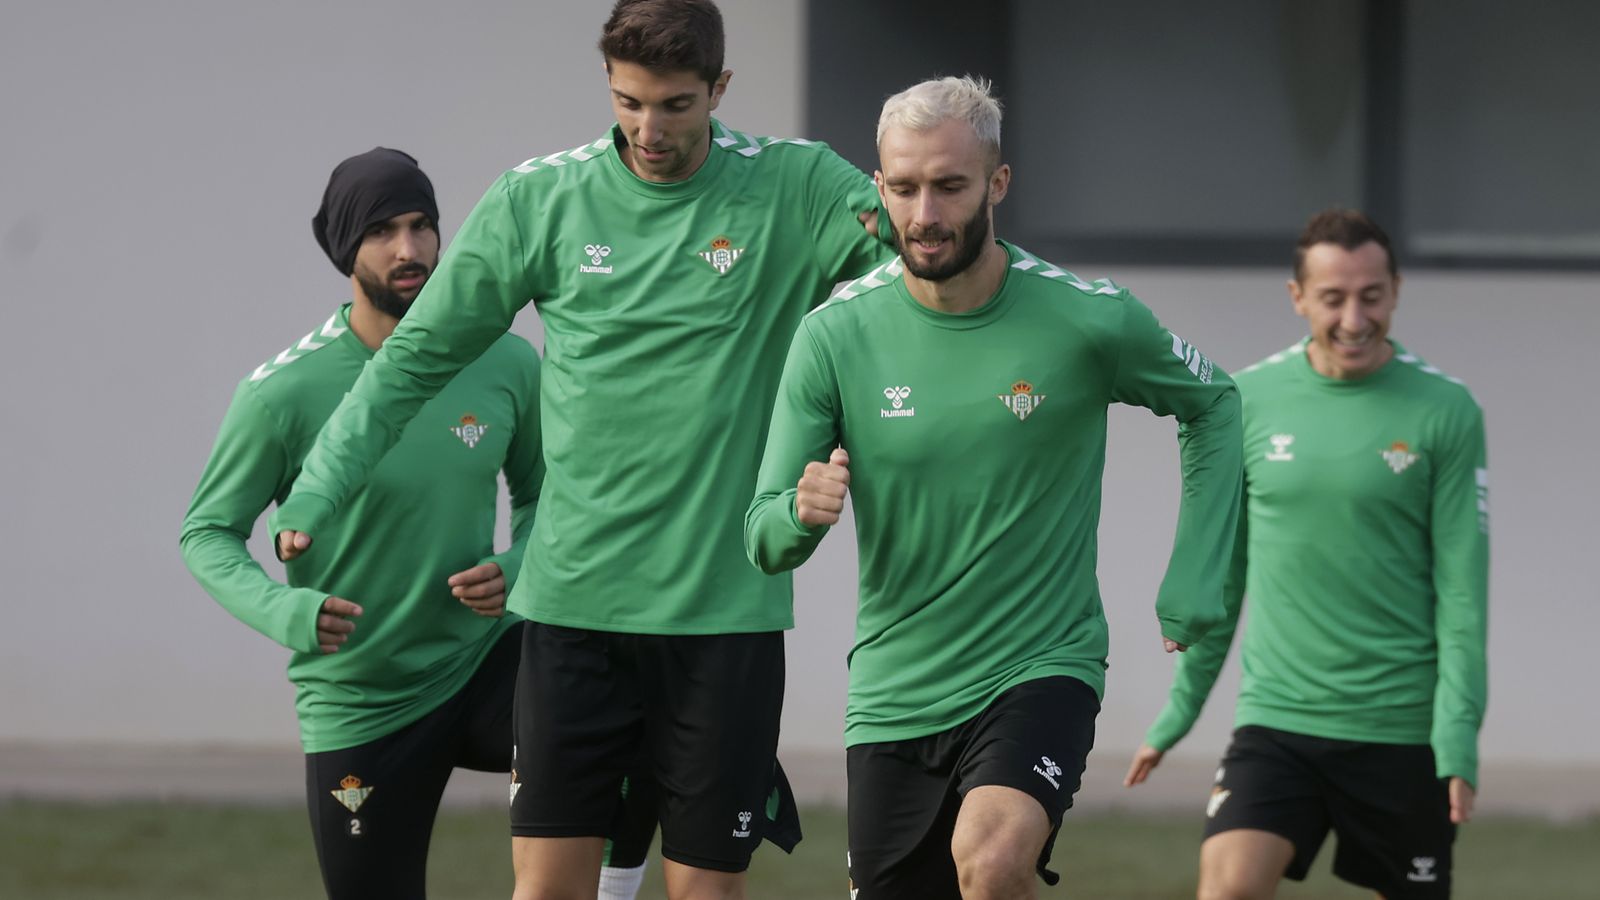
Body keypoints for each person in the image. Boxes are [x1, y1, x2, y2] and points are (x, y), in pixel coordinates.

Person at [262, 3, 893, 897]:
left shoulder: (797, 186)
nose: (649, 129)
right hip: (569, 618)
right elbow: (415, 359)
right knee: (548, 889)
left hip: (725, 616)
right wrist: (319, 490)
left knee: (704, 891)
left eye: (676, 104)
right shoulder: (540, 199)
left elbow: (921, 277)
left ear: (719, 89)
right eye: (628, 102)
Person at [744, 76, 1243, 900]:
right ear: (879, 188)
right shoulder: (833, 335)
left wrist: (1198, 577)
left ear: (997, 185)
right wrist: (800, 515)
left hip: (1040, 664)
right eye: (903, 188)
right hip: (895, 693)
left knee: (991, 858)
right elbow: (762, 537)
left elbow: (1215, 403)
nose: (925, 214)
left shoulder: (1089, 318)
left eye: (949, 186)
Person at [179, 148, 650, 900]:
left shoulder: (503, 362)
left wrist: (518, 563)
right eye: (382, 231)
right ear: (343, 248)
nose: (409, 250)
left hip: (485, 661)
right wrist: (285, 609)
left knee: (632, 711)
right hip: (362, 692)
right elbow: (205, 533)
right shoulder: (281, 393)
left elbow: (548, 494)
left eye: (422, 226)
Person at [1124, 208, 1489, 900]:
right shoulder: (1247, 401)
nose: (1354, 318)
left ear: (1396, 290)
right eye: (1333, 298)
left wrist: (1457, 737)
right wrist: (1180, 713)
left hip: (1400, 729)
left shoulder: (1447, 412)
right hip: (1279, 723)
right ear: (1297, 297)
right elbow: (1224, 577)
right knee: (1226, 888)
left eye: (1371, 296)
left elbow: (1464, 593)